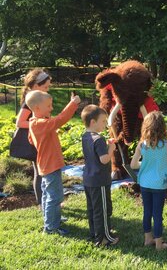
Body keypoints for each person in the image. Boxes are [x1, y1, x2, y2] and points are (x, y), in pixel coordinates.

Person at [26, 90, 81, 235]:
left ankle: (50, 220)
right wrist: (73, 104)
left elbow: (31, 140)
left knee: (47, 195)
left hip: (46, 165)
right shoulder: (39, 124)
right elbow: (59, 120)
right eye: (49, 106)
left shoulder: (35, 123)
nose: (51, 109)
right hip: (50, 166)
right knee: (55, 197)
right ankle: (51, 227)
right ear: (37, 108)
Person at [130, 111, 167, 251]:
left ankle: (148, 239)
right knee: (157, 214)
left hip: (144, 183)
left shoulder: (142, 144)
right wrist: (163, 161)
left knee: (147, 212)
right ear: (163, 126)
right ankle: (159, 245)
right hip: (159, 184)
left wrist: (145, 163)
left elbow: (133, 165)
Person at [81, 105, 118, 247]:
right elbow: (104, 159)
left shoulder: (85, 136)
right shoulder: (99, 139)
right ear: (93, 122)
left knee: (92, 209)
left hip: (88, 179)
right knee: (102, 210)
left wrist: (106, 146)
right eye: (103, 121)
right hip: (100, 181)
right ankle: (104, 238)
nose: (105, 124)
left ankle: (95, 233)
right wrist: (111, 149)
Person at [15, 69, 51, 209]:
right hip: (33, 142)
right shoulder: (29, 102)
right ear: (36, 86)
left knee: (41, 171)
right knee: (40, 172)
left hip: (38, 139)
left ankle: (45, 203)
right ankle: (43, 204)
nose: (47, 90)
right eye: (45, 87)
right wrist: (40, 125)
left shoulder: (38, 98)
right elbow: (19, 123)